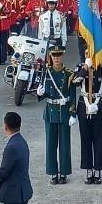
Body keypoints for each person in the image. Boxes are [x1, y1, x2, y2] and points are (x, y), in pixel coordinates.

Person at [37, 48, 75, 184]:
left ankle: (64, 172)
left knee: (64, 145)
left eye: (59, 56)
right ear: (51, 57)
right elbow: (43, 94)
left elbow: (72, 95)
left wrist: (72, 113)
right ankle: (53, 172)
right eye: (54, 56)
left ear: (62, 57)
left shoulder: (69, 74)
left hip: (64, 112)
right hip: (50, 112)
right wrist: (39, 93)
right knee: (51, 145)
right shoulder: (47, 73)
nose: (57, 59)